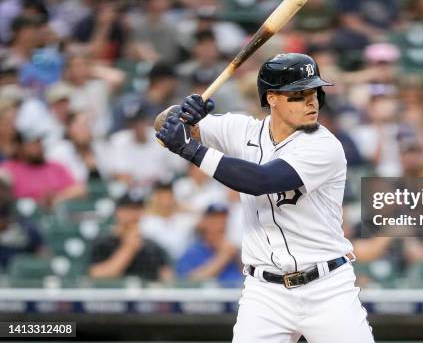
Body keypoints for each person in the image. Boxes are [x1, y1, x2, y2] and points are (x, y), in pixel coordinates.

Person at [156, 53, 374, 342]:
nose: (312, 101)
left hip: (327, 288)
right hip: (265, 293)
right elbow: (162, 127)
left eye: (314, 91)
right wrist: (182, 113)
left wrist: (192, 150)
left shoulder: (323, 145)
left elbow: (262, 181)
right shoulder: (242, 130)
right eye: (298, 94)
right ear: (272, 97)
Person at [89, 192, 173, 281]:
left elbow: (167, 279)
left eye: (138, 209)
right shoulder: (102, 242)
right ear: (118, 212)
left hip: (145, 294)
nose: (134, 214)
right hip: (113, 293)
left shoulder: (152, 247)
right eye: (129, 209)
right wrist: (129, 248)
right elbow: (97, 276)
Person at [175, 203, 243, 286]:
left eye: (223, 221)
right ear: (204, 223)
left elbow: (249, 277)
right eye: (215, 221)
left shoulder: (233, 251)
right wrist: (222, 258)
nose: (221, 226)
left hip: (236, 297)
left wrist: (237, 256)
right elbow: (187, 283)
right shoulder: (192, 252)